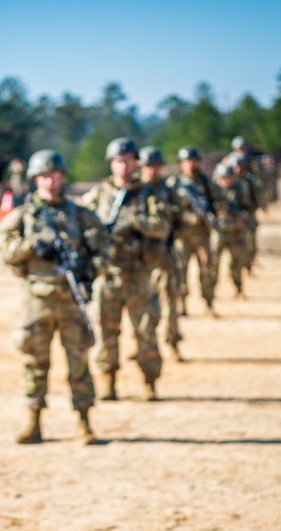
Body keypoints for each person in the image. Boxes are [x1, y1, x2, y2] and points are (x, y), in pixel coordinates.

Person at [0, 149, 108, 445]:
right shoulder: (23, 216)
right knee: (35, 363)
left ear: (62, 177)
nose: (50, 181)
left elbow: (104, 253)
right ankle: (34, 422)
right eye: (44, 176)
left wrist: (86, 271)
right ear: (35, 179)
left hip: (71, 299)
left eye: (54, 175)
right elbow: (4, 250)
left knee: (79, 363)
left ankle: (85, 422)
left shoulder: (81, 216)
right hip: (37, 300)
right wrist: (33, 245)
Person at [80, 137, 170, 401]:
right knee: (106, 332)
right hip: (107, 275)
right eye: (119, 161)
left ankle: (149, 381)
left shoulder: (148, 194)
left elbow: (162, 226)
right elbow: (82, 230)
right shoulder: (98, 195)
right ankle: (108, 381)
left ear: (136, 163)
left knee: (146, 331)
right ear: (111, 164)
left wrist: (137, 221)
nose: (124, 166)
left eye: (129, 160)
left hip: (139, 275)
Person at [138, 146, 183, 362]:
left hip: (164, 254)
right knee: (141, 303)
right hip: (138, 257)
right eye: (148, 166)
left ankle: (172, 340)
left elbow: (180, 217)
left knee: (170, 299)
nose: (152, 170)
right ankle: (141, 344)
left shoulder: (169, 189)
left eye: (156, 166)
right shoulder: (134, 190)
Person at [166, 146, 219, 315]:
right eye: (187, 161)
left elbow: (219, 201)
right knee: (180, 271)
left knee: (208, 270)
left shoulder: (206, 182)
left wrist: (212, 214)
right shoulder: (173, 184)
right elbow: (167, 208)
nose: (190, 164)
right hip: (182, 236)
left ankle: (208, 302)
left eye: (194, 161)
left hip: (203, 234)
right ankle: (182, 305)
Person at [213, 162, 255, 298]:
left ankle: (238, 288)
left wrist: (241, 216)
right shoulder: (212, 191)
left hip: (237, 233)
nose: (226, 181)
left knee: (237, 264)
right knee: (212, 265)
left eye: (229, 177)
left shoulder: (240, 190)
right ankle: (211, 296)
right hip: (219, 233)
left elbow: (249, 209)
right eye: (223, 178)